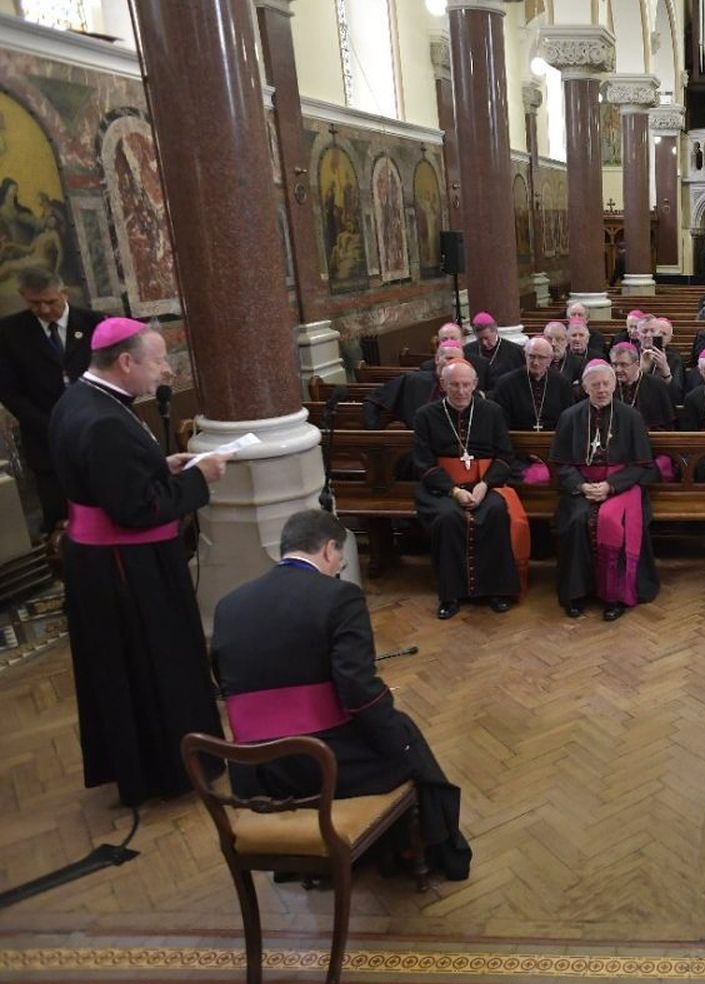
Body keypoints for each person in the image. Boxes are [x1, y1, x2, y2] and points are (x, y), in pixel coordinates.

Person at [212, 509, 471, 880]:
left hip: (258, 770)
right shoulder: (340, 597)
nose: (338, 569)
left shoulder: (229, 605)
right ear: (330, 549)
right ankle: (419, 854)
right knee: (411, 749)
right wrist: (395, 740)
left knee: (400, 738)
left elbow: (225, 680)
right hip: (319, 761)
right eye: (340, 560)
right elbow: (357, 690)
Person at [48, 318, 229, 805]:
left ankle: (147, 764)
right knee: (156, 662)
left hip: (104, 563)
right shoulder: (104, 419)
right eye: (157, 361)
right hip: (128, 569)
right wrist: (199, 480)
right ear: (125, 362)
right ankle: (169, 771)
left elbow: (112, 481)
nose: (164, 371)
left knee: (128, 668)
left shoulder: (80, 400)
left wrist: (159, 467)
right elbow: (137, 510)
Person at [412, 361, 526, 619]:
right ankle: (451, 595)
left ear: (475, 385)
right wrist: (454, 491)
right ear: (443, 385)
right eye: (454, 385)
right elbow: (423, 464)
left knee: (496, 512)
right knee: (447, 518)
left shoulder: (492, 411)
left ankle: (497, 591)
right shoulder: (426, 415)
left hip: (486, 483)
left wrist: (485, 485)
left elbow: (505, 456)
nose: (461, 391)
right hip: (441, 488)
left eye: (466, 385)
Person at [551, 361, 660, 620]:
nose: (601, 389)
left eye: (606, 384)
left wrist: (611, 486)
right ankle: (576, 593)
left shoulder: (631, 416)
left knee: (613, 520)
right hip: (582, 487)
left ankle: (616, 595)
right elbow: (562, 464)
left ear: (614, 385)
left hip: (622, 487)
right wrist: (581, 486)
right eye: (595, 385)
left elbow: (642, 465)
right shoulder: (570, 417)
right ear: (585, 388)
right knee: (577, 521)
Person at [0, 264, 106, 532]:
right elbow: (9, 391)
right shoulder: (9, 331)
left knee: (104, 501)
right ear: (24, 297)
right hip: (44, 438)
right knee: (60, 517)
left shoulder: (95, 323)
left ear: (64, 293)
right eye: (35, 303)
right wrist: (50, 425)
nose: (45, 310)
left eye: (50, 301)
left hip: (96, 431)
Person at [364, 341, 462, 429]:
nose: (453, 363)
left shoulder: (466, 386)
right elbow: (373, 400)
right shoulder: (413, 380)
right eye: (449, 358)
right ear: (437, 359)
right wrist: (375, 432)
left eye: (458, 360)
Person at [491, 336, 573, 432]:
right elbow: (500, 422)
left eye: (541, 357)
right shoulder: (506, 383)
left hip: (554, 440)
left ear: (550, 359)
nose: (535, 362)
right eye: (532, 356)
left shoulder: (562, 383)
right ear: (525, 355)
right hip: (517, 440)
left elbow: (568, 419)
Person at [611, 340, 677, 430]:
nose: (618, 369)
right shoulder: (609, 386)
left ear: (637, 364)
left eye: (623, 365)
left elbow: (667, 422)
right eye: (614, 365)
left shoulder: (656, 385)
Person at [465, 311, 521, 386]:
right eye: (480, 339)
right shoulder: (468, 351)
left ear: (495, 331)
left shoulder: (515, 351)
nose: (484, 343)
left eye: (486, 338)